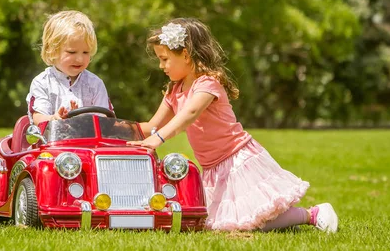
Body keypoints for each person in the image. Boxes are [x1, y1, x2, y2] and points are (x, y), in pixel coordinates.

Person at [128, 18, 338, 233]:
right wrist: (115, 128)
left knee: (254, 220)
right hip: (212, 168)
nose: (161, 66)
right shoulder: (174, 91)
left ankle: (312, 214)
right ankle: (300, 216)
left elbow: (189, 114)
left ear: (185, 55)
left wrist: (159, 138)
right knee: (220, 225)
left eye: (164, 59)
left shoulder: (207, 83)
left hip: (236, 160)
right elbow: (151, 125)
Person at [26, 10, 112, 124]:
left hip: (89, 141)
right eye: (72, 52)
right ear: (52, 51)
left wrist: (85, 120)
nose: (80, 59)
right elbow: (38, 118)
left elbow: (106, 120)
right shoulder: (42, 83)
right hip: (52, 140)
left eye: (85, 52)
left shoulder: (95, 84)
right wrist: (54, 119)